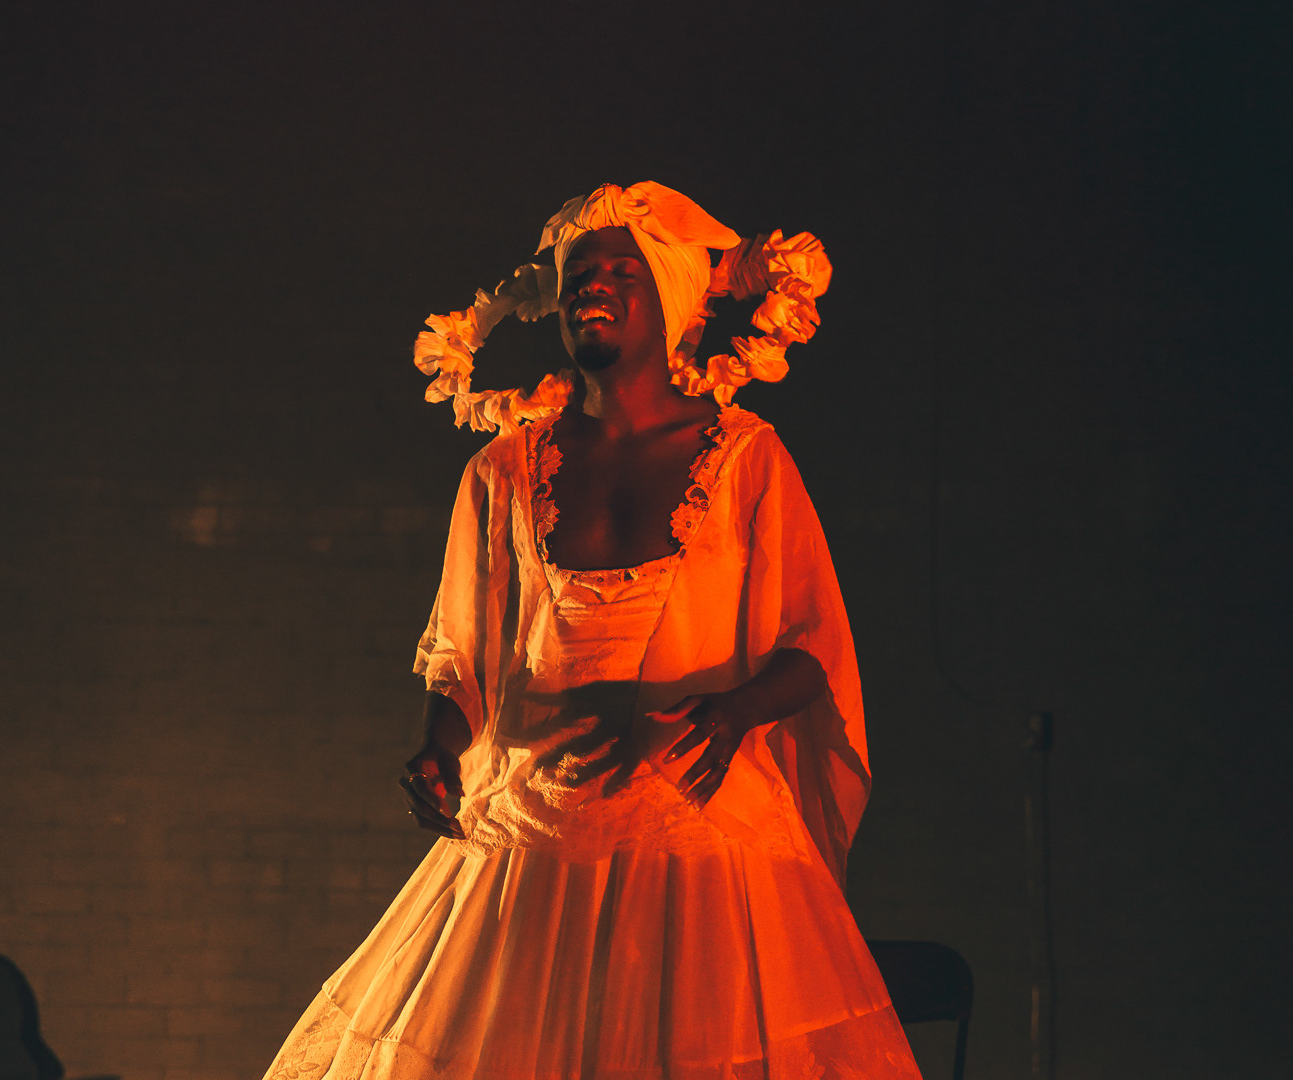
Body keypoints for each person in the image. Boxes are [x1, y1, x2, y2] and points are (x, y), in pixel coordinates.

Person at [263, 183, 922, 1080]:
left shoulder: (744, 457)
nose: (592, 288)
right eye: (578, 276)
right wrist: (439, 745)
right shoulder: (503, 469)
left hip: (697, 834)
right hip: (537, 829)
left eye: (620, 271)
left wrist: (733, 710)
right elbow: (463, 657)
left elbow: (811, 642)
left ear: (672, 298)